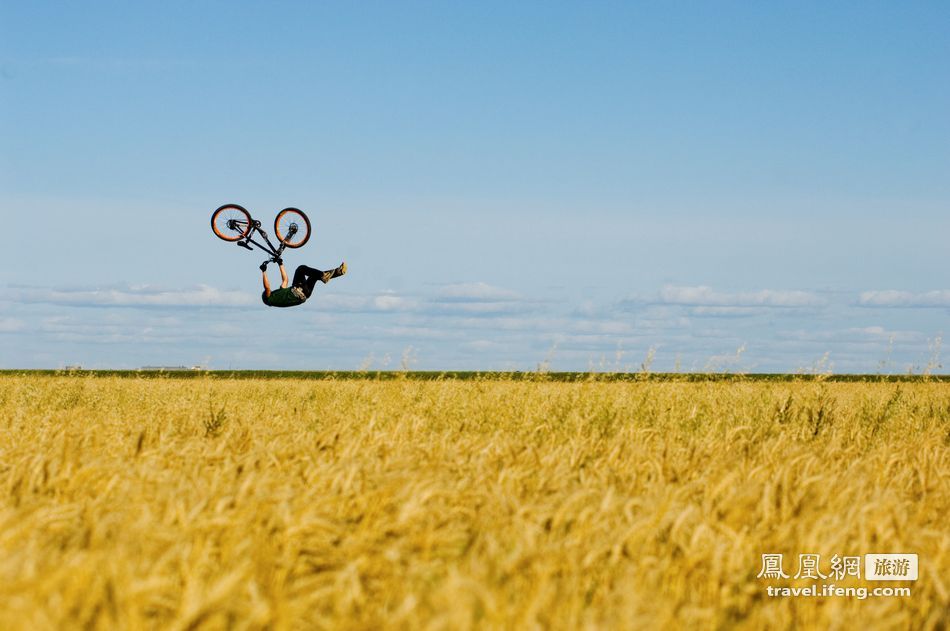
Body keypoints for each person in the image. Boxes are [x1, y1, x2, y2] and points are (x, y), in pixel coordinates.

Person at [260, 258, 346, 308]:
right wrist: (264, 271)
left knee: (314, 275)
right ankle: (324, 275)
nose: (270, 290)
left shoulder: (281, 296)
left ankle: (338, 272)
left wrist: (280, 264)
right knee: (301, 269)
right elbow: (267, 287)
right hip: (297, 291)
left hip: (305, 295)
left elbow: (285, 280)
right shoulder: (269, 299)